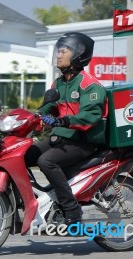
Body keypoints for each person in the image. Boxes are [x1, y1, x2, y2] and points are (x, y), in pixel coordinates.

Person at [25, 32, 108, 225]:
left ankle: (72, 210)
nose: (59, 55)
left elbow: (90, 117)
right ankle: (33, 200)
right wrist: (30, 118)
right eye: (58, 50)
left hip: (84, 140)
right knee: (23, 155)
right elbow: (47, 108)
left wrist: (63, 121)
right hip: (63, 137)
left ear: (79, 54)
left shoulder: (90, 85)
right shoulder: (60, 83)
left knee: (46, 161)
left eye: (64, 51)